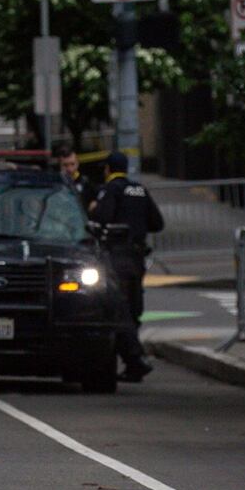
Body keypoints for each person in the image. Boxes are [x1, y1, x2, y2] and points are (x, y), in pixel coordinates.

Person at [88, 151, 165, 382]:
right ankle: (133, 365)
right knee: (133, 309)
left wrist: (94, 209)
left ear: (108, 169)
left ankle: (134, 360)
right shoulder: (139, 190)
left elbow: (101, 217)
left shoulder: (111, 190)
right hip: (137, 258)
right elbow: (157, 223)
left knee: (117, 309)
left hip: (117, 257)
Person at [57, 146, 96, 212]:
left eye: (72, 164)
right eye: (65, 165)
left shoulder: (86, 182)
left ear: (78, 163)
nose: (70, 169)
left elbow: (96, 200)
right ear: (59, 165)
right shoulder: (54, 183)